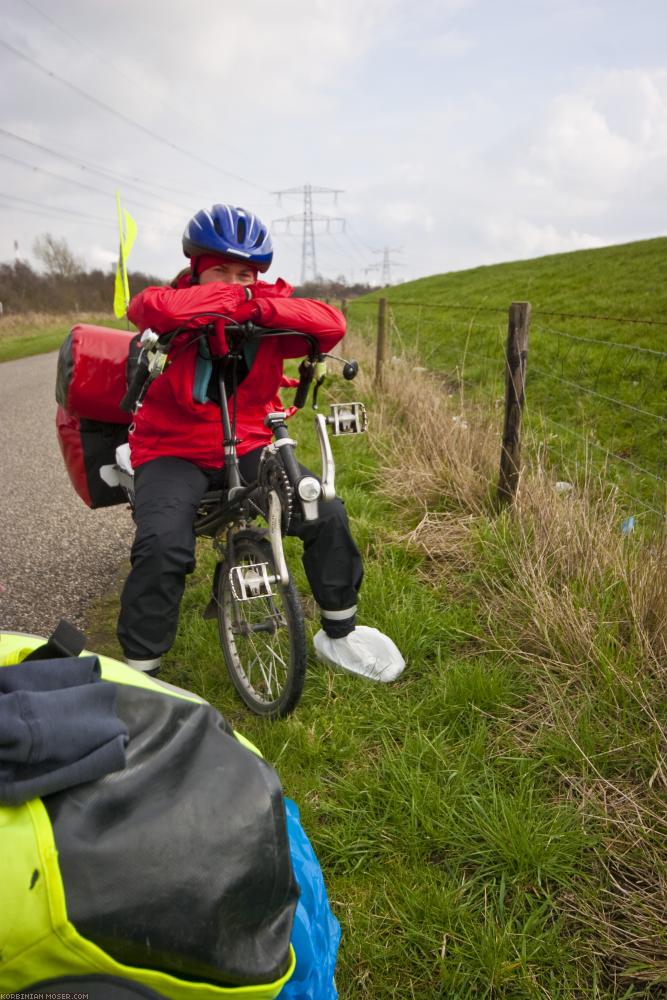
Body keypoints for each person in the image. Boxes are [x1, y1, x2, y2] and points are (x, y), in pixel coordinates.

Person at [116, 203, 405, 684]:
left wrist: (253, 307)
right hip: (172, 450)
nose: (232, 281)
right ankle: (140, 671)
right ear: (195, 270)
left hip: (248, 441)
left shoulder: (267, 308)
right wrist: (230, 302)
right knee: (163, 545)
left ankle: (338, 633)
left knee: (324, 510)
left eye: (243, 272)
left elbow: (329, 324)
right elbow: (150, 308)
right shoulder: (171, 306)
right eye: (219, 271)